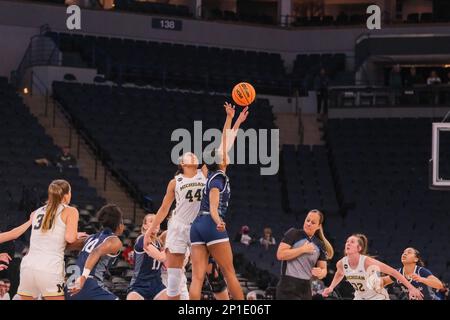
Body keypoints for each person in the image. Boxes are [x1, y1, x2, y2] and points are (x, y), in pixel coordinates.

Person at [145, 102, 236, 300]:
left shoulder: (204, 174)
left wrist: (229, 118)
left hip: (198, 227)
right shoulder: (175, 182)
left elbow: (222, 147)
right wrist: (152, 230)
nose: (192, 153)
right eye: (188, 153)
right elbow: (163, 208)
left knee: (209, 273)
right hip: (178, 225)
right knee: (174, 279)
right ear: (182, 163)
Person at [189, 105, 249, 300]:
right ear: (222, 161)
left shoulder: (209, 173)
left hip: (196, 225)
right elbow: (214, 207)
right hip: (210, 222)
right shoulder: (217, 179)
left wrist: (234, 120)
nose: (226, 153)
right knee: (229, 272)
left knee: (197, 278)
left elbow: (225, 142)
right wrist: (218, 220)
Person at [17, 179, 80, 300]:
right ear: (67, 195)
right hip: (50, 266)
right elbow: (70, 238)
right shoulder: (70, 210)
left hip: (28, 265)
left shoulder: (36, 212)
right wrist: (76, 233)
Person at [322, 234, 424, 300]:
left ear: (359, 248)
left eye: (352, 242)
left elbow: (393, 272)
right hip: (360, 296)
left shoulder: (367, 262)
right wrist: (331, 287)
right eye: (347, 241)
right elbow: (339, 273)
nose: (348, 243)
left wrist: (411, 288)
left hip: (377, 297)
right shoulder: (341, 263)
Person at [69, 204, 124, 300]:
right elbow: (95, 252)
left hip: (71, 284)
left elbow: (66, 245)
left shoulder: (89, 238)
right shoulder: (114, 241)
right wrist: (83, 277)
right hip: (88, 284)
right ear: (119, 224)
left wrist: (74, 234)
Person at [276, 209, 333, 300]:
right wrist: (302, 249)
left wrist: (320, 272)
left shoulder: (320, 244)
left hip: (306, 287)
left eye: (313, 222)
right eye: (307, 220)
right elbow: (280, 254)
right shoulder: (293, 233)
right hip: (287, 285)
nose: (309, 223)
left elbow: (323, 270)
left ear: (319, 226)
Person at [127, 214, 168, 300]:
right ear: (145, 226)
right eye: (152, 221)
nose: (156, 223)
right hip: (140, 285)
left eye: (157, 221)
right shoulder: (142, 239)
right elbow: (161, 257)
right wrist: (169, 247)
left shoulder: (159, 243)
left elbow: (166, 263)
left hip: (157, 284)